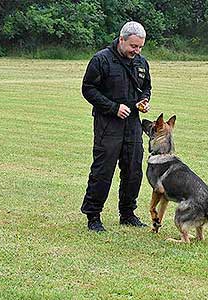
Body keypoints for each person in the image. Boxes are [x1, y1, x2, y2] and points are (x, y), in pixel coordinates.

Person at [80, 21, 151, 232]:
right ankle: (93, 216)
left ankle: (128, 213)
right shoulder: (101, 59)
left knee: (133, 170)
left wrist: (144, 101)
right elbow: (88, 89)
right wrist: (112, 108)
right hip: (108, 123)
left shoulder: (141, 62)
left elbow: (146, 87)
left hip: (132, 123)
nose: (136, 51)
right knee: (103, 170)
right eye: (133, 46)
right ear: (122, 39)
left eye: (140, 47)